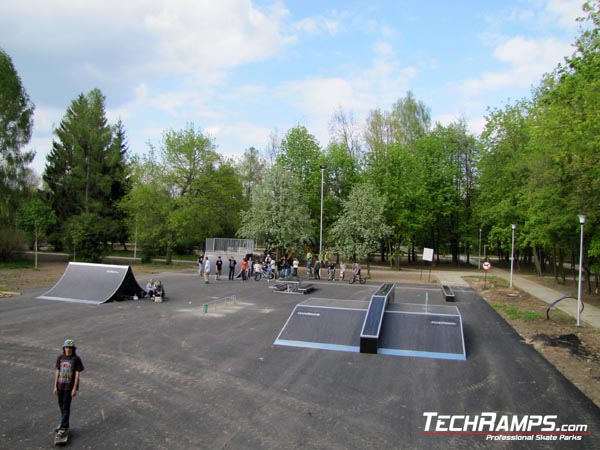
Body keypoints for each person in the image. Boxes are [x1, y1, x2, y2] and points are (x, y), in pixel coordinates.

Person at [53, 339, 84, 438]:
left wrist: (75, 388)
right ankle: (63, 423)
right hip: (60, 385)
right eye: (67, 347)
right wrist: (55, 386)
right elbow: (57, 372)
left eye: (70, 348)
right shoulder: (60, 358)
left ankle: (64, 426)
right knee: (61, 405)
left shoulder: (76, 359)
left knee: (66, 406)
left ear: (73, 349)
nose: (68, 349)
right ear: (64, 348)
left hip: (69, 387)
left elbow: (77, 374)